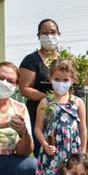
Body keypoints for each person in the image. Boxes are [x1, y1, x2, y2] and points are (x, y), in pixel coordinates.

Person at [30, 58, 86, 175]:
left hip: (72, 151)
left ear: (73, 80)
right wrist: (44, 144)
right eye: (57, 79)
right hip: (52, 153)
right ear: (50, 79)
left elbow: (83, 129)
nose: (61, 83)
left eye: (65, 80)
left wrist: (83, 151)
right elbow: (38, 128)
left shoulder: (78, 102)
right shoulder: (45, 102)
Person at [19, 18, 60, 156]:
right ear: (38, 36)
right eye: (44, 33)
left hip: (63, 114)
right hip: (38, 114)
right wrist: (49, 98)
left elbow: (76, 88)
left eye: (53, 32)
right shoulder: (31, 60)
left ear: (59, 34)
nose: (49, 36)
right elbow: (25, 89)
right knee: (41, 151)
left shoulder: (67, 60)